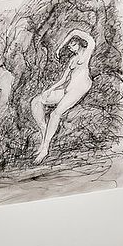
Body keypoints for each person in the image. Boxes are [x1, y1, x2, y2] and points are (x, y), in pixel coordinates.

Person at [29, 28, 95, 163]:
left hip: (79, 88)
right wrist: (49, 90)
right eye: (69, 46)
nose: (71, 48)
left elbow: (76, 31)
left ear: (79, 42)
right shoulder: (73, 60)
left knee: (55, 114)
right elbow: (63, 80)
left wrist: (60, 46)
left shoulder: (86, 53)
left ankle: (45, 149)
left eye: (73, 45)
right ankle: (44, 131)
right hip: (67, 88)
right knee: (36, 101)